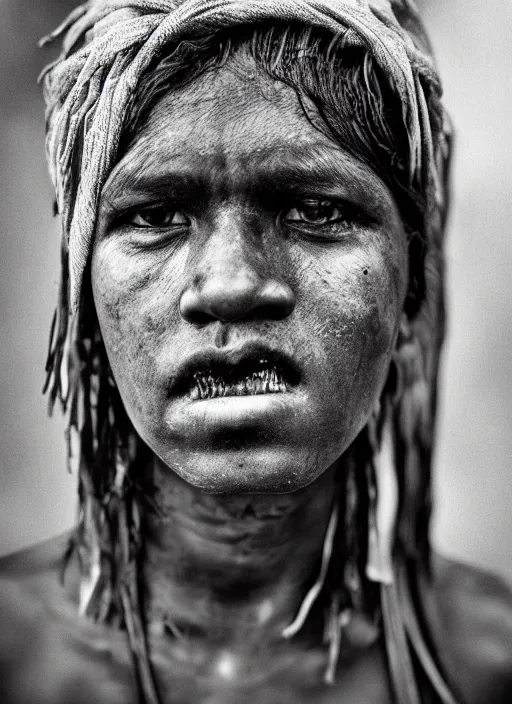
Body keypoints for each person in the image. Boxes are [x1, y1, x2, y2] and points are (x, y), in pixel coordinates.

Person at [0, 1, 511, 702]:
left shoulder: (489, 667)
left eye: (318, 209)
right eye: (153, 217)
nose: (231, 285)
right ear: (87, 302)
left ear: (412, 292)